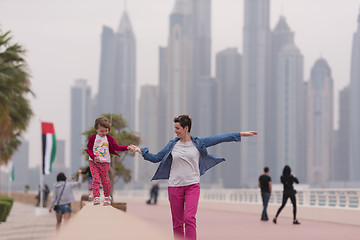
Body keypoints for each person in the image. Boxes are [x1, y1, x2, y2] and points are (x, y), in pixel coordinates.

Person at [128, 114, 257, 240]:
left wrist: (240, 134)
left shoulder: (198, 143)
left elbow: (220, 138)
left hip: (192, 186)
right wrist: (140, 150)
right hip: (174, 187)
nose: (175, 131)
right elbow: (156, 158)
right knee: (177, 223)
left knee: (189, 218)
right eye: (175, 128)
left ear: (186, 128)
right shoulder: (172, 145)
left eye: (177, 128)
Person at [85, 116, 130, 206]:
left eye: (106, 131)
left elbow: (117, 147)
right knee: (96, 179)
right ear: (96, 130)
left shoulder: (109, 139)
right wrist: (93, 156)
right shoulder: (93, 138)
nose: (104, 133)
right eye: (101, 131)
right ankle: (96, 197)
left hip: (105, 162)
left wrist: (127, 147)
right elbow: (89, 148)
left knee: (105, 180)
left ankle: (107, 197)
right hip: (93, 162)